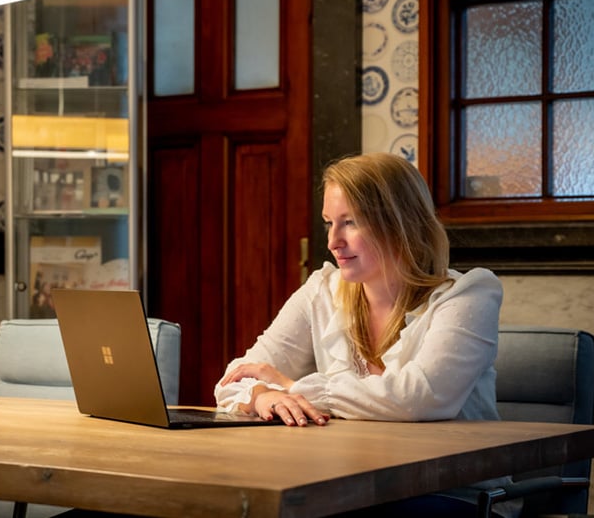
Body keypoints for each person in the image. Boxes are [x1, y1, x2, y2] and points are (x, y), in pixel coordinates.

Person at [215, 152, 519, 518]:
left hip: (457, 495)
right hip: (351, 488)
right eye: (329, 222)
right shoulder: (320, 290)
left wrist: (295, 388)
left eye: (351, 223)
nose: (332, 241)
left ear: (400, 223)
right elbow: (236, 379)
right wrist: (263, 395)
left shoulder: (469, 294)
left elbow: (422, 398)